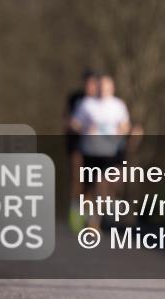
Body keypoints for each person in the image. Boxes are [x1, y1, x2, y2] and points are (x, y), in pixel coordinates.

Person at [71, 73, 131, 230]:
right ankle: (88, 217)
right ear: (96, 87)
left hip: (110, 151)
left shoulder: (118, 105)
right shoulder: (87, 104)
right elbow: (74, 124)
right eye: (101, 86)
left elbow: (126, 126)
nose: (103, 89)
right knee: (89, 187)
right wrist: (85, 128)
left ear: (112, 88)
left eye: (106, 86)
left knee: (103, 184)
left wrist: (121, 130)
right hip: (90, 150)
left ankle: (96, 219)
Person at [64, 68, 99, 232]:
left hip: (96, 148)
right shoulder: (75, 98)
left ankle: (90, 217)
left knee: (91, 182)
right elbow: (68, 121)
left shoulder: (102, 101)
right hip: (77, 145)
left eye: (92, 83)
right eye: (87, 83)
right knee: (77, 179)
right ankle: (75, 215)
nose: (89, 86)